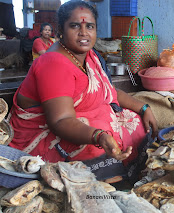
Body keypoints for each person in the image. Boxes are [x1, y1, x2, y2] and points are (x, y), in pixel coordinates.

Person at [9, 1, 158, 183]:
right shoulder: (53, 64)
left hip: (79, 121)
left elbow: (108, 91)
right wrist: (99, 136)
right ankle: (110, 185)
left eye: (90, 26)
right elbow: (61, 121)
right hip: (47, 133)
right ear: (60, 31)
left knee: (134, 121)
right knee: (98, 146)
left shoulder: (89, 56)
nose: (84, 32)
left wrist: (143, 107)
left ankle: (132, 173)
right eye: (74, 26)